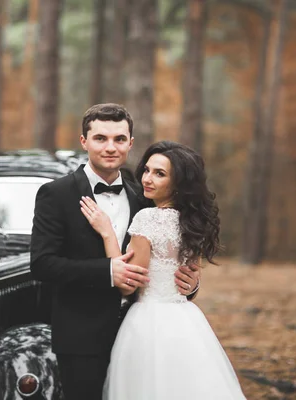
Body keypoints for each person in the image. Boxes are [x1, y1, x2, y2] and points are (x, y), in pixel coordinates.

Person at [30, 104, 201, 400]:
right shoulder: (55, 194)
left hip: (145, 334)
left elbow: (163, 255)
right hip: (82, 337)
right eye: (100, 138)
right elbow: (42, 264)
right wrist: (107, 271)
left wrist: (190, 284)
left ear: (130, 143)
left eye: (119, 139)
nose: (111, 147)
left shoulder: (145, 194)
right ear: (84, 141)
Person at [79, 140, 247, 399]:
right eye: (147, 170)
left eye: (160, 174)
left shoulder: (148, 219)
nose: (147, 179)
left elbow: (127, 283)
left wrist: (107, 233)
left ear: (179, 184)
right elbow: (184, 278)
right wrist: (193, 286)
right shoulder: (192, 222)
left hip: (149, 321)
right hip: (186, 320)